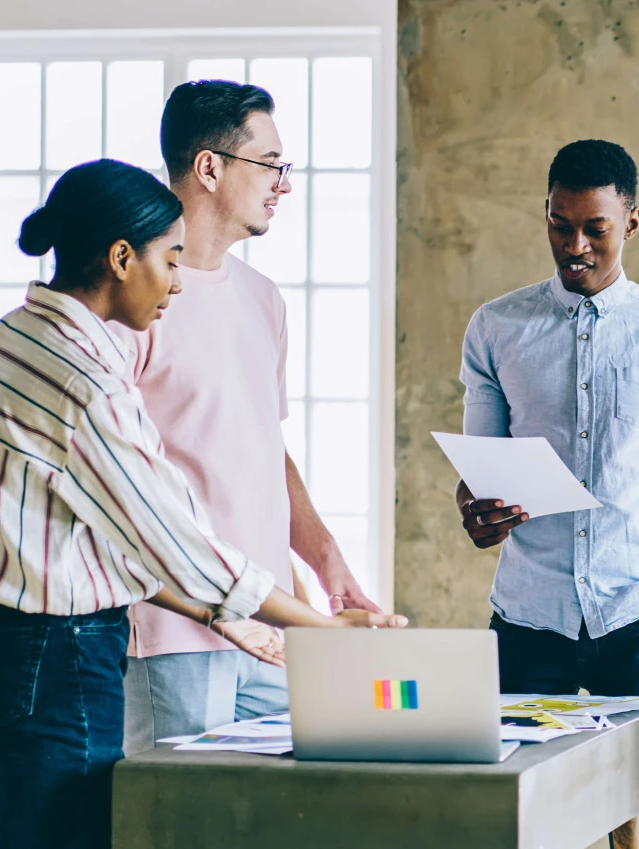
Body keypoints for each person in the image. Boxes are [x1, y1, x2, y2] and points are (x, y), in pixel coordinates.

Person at [0, 158, 405, 849]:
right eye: (170, 259)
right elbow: (177, 540)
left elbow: (96, 540)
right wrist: (314, 626)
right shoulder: (87, 379)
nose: (178, 282)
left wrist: (217, 614)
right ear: (122, 258)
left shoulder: (2, 342)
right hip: (57, 659)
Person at [112, 80, 383, 755]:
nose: (283, 184)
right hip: (172, 630)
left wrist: (329, 565)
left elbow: (267, 450)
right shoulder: (134, 300)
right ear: (210, 167)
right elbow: (113, 475)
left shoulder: (264, 299)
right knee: (181, 825)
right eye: (270, 164)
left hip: (269, 627)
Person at [454, 139, 639, 849]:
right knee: (510, 819)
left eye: (596, 227)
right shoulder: (496, 327)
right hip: (530, 620)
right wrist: (480, 513)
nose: (577, 246)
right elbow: (482, 469)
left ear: (632, 220)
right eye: (561, 225)